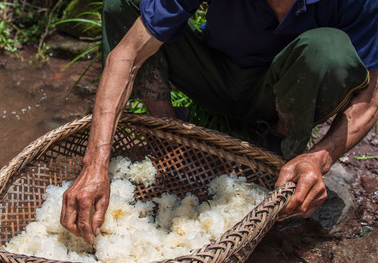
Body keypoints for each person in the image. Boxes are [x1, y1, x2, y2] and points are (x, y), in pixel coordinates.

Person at [61, 0, 378, 244]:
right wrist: (95, 165)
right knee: (124, 4)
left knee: (328, 51)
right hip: (214, 75)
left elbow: (370, 99)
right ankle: (167, 134)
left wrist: (319, 157)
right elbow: (127, 55)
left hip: (279, 93)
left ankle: (280, 147)